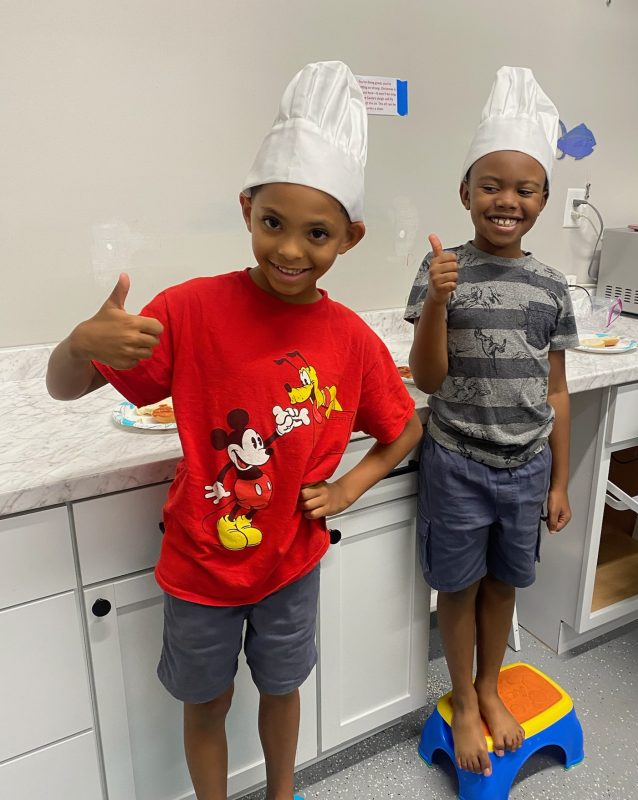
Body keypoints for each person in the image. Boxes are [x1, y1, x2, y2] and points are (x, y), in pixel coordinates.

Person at [46, 60, 422, 800]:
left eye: (317, 233)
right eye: (273, 223)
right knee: (206, 702)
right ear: (248, 208)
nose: (290, 249)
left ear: (349, 237)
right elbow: (65, 388)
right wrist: (79, 343)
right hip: (199, 568)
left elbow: (402, 431)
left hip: (291, 564)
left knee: (283, 691)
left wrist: (350, 485)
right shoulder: (189, 311)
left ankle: (283, 793)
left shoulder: (349, 340)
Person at [405, 66, 579, 777]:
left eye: (525, 188)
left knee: (504, 585)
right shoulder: (441, 268)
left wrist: (560, 480)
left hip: (527, 465)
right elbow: (428, 379)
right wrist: (440, 302)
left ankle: (489, 685)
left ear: (542, 198)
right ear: (466, 192)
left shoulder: (551, 285)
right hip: (456, 461)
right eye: (492, 185)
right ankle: (464, 700)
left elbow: (558, 390)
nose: (507, 200)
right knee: (459, 587)